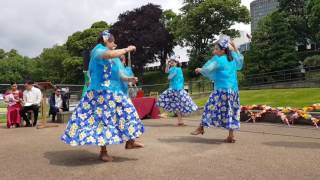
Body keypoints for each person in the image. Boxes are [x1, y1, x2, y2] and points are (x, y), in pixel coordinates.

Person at [61, 30, 144, 162]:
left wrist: (129, 79)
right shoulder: (97, 50)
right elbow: (108, 54)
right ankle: (103, 151)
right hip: (100, 93)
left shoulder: (115, 58)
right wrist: (127, 49)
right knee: (102, 121)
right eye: (113, 41)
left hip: (115, 92)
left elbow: (119, 75)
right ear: (106, 40)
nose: (115, 44)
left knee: (128, 113)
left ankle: (130, 141)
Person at [190, 35, 244, 143]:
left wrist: (199, 69)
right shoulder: (232, 58)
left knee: (208, 107)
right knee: (231, 111)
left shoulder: (219, 60)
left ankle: (201, 127)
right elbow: (240, 59)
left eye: (216, 49)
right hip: (233, 91)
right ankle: (231, 136)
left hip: (222, 90)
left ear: (223, 50)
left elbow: (208, 69)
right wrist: (234, 45)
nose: (214, 51)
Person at [157, 57, 198, 126]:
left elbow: (169, 77)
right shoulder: (173, 69)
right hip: (175, 88)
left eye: (173, 62)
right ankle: (180, 121)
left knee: (168, 99)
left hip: (176, 89)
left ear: (176, 63)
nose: (172, 63)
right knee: (177, 104)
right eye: (171, 62)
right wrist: (167, 64)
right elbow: (166, 71)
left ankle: (166, 113)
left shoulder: (177, 69)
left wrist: (169, 75)